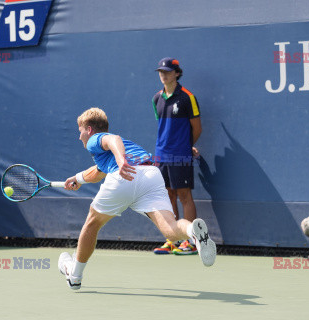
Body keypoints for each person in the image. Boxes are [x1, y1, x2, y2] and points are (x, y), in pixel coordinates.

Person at [58, 107, 216, 290]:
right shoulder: (114, 150)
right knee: (171, 230)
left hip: (124, 176)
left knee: (92, 223)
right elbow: (98, 172)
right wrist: (77, 179)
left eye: (81, 132)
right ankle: (193, 232)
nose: (80, 137)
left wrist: (121, 160)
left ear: (90, 130)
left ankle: (75, 276)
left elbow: (112, 139)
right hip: (151, 175)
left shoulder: (97, 139)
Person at [152, 57, 202, 255]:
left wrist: (186, 146)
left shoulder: (187, 97)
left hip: (180, 155)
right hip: (161, 156)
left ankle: (191, 241)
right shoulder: (156, 98)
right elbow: (163, 128)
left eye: (167, 71)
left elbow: (197, 128)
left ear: (177, 73)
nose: (163, 75)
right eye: (160, 72)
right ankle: (173, 238)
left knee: (184, 195)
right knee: (167, 196)